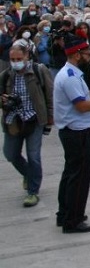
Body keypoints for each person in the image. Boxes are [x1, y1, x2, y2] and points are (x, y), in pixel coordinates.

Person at [54, 34, 90, 232]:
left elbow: (81, 97)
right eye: (87, 52)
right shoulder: (69, 77)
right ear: (78, 54)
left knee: (70, 173)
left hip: (74, 130)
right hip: (76, 131)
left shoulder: (73, 74)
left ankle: (65, 213)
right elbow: (81, 106)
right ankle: (73, 219)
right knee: (79, 177)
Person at [1, 41, 54, 207]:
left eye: (19, 58)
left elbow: (50, 95)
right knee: (10, 153)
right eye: (12, 59)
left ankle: (33, 191)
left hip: (34, 119)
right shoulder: (6, 75)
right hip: (14, 120)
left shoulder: (39, 70)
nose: (16, 61)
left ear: (26, 56)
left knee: (34, 156)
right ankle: (27, 174)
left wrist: (50, 117)